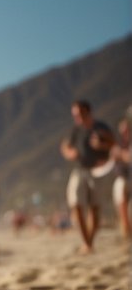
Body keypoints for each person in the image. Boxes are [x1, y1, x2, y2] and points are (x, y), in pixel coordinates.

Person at [59, 99, 116, 254]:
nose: (77, 118)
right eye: (75, 115)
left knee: (94, 208)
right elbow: (64, 145)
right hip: (80, 169)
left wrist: (103, 145)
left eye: (79, 114)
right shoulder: (76, 130)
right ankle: (86, 242)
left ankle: (89, 243)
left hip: (98, 171)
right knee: (76, 203)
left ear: (87, 112)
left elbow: (113, 143)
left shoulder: (100, 127)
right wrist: (69, 153)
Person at [113, 114, 130, 241]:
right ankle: (126, 230)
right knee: (121, 202)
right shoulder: (117, 144)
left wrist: (122, 155)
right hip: (122, 177)